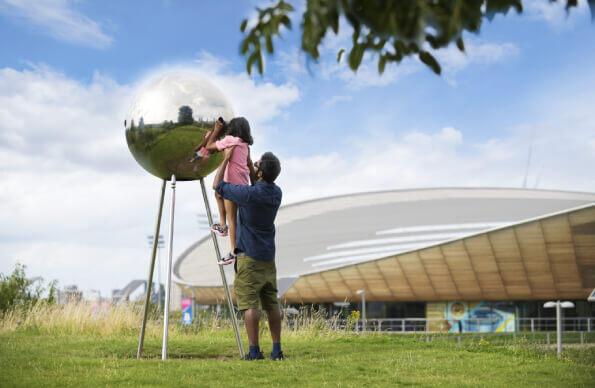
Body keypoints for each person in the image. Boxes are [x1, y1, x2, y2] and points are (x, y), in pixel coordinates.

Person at [213, 149, 283, 361]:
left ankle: (254, 351)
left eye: (257, 164)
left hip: (249, 258)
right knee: (272, 305)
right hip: (268, 258)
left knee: (250, 306)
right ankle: (277, 350)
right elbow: (258, 182)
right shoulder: (276, 192)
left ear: (260, 173)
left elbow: (218, 185)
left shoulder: (248, 194)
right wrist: (252, 163)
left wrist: (225, 159)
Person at [205, 117, 254, 265]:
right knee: (218, 194)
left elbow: (209, 146)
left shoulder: (230, 140)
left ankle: (233, 251)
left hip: (232, 186)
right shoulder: (245, 145)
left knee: (232, 219)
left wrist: (216, 130)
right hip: (244, 186)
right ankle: (222, 226)